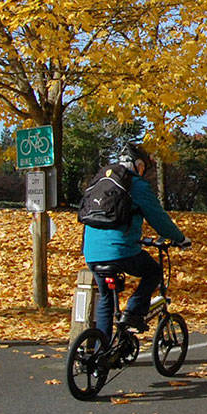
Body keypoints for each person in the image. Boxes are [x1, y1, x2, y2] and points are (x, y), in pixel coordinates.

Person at [83, 144, 190, 337]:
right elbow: (159, 219)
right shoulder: (136, 185)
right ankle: (133, 313)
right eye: (143, 168)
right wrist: (180, 239)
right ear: (138, 165)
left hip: (91, 253)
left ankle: (101, 354)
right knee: (153, 271)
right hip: (119, 251)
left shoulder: (101, 181)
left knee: (106, 298)